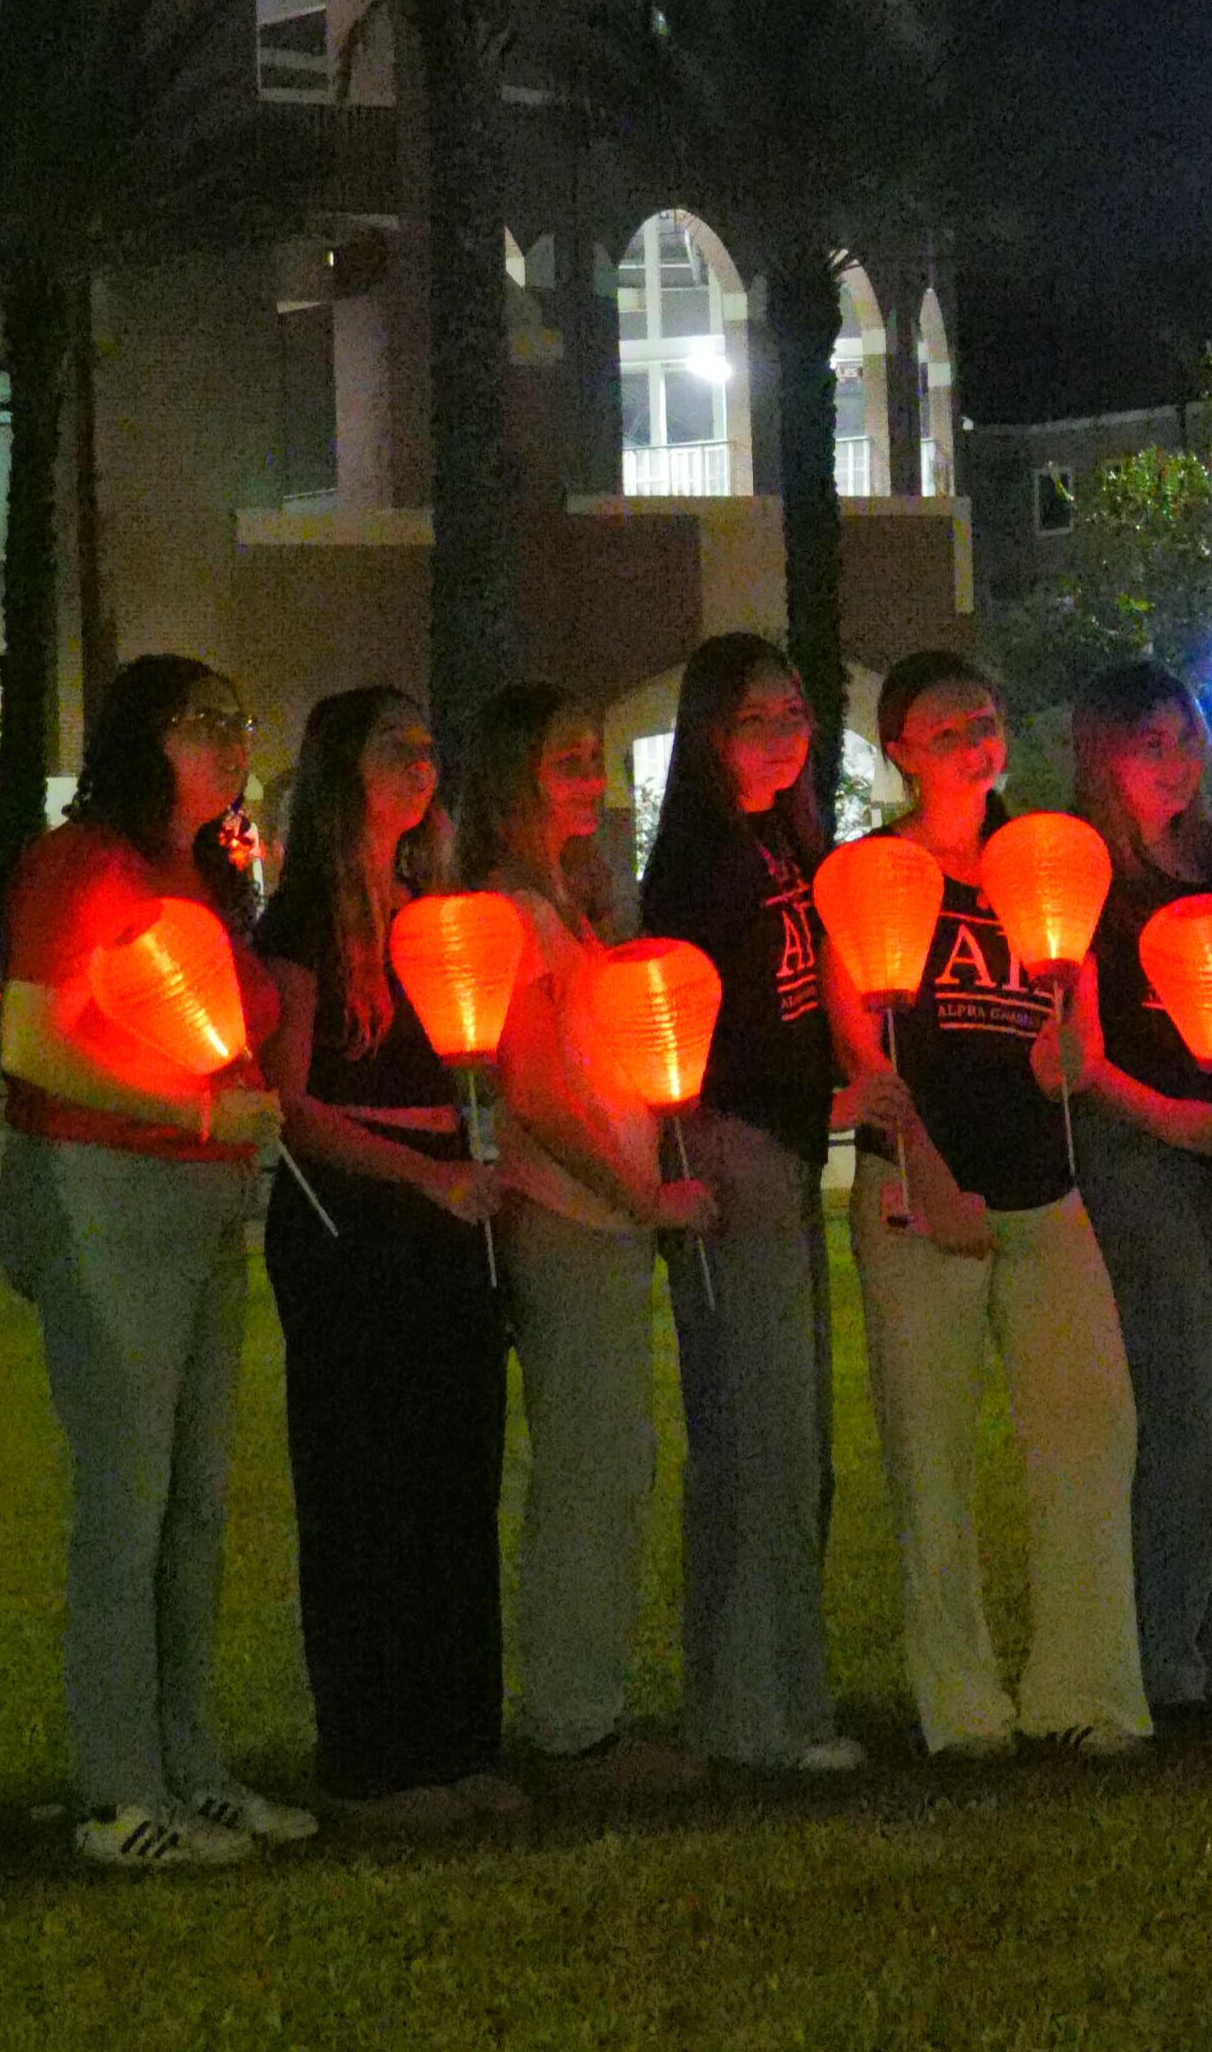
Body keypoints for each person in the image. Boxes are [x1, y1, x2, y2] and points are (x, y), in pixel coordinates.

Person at [0, 654, 319, 1870]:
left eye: (239, 719)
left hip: (205, 1196)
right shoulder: (81, 864)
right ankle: (117, 1789)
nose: (230, 741)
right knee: (127, 1499)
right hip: (106, 1188)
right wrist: (189, 1113)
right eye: (201, 722)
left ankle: (190, 1764)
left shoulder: (207, 876)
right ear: (141, 737)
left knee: (195, 1499)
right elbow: (32, 1040)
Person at [829, 649, 1153, 1758]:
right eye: (947, 731)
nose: (975, 744)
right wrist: (924, 1170)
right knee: (932, 1455)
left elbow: (1081, 1036)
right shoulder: (872, 874)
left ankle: (1085, 1691)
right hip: (918, 1192)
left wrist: (1071, 1056)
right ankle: (960, 1705)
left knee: (1092, 1428)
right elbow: (862, 1044)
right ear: (901, 752)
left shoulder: (1044, 863)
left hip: (1040, 1187)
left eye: (986, 722)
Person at [254, 686, 523, 1830]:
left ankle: (458, 1738)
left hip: (449, 1208)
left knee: (456, 1480)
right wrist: (422, 1173)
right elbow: (292, 1103)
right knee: (366, 1486)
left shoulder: (435, 913)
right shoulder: (304, 921)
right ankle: (371, 1754)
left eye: (428, 744)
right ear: (340, 769)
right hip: (350, 1218)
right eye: (392, 746)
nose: (420, 762)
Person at [469, 682, 716, 1783]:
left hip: (599, 1211)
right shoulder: (512, 914)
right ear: (516, 777)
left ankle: (584, 1704)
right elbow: (533, 1087)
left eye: (592, 760)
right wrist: (637, 1192)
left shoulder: (560, 904)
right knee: (589, 1465)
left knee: (611, 1461)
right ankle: (574, 1721)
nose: (588, 781)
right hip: (570, 1213)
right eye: (566, 762)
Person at [635, 636, 867, 1774]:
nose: (782, 737)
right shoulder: (699, 862)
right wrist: (821, 1093)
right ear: (709, 735)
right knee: (754, 1434)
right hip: (734, 1145)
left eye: (794, 714)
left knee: (793, 1437)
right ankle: (753, 1709)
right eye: (755, 720)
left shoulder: (788, 842)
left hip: (787, 1142)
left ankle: (777, 1695)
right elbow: (699, 1028)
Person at [1064, 659, 1212, 1714]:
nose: (1176, 762)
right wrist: (1171, 1119)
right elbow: (1078, 1052)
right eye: (1149, 743)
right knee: (1184, 1410)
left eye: (1187, 740)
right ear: (1103, 754)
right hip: (1140, 1154)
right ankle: (1162, 1651)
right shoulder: (1082, 876)